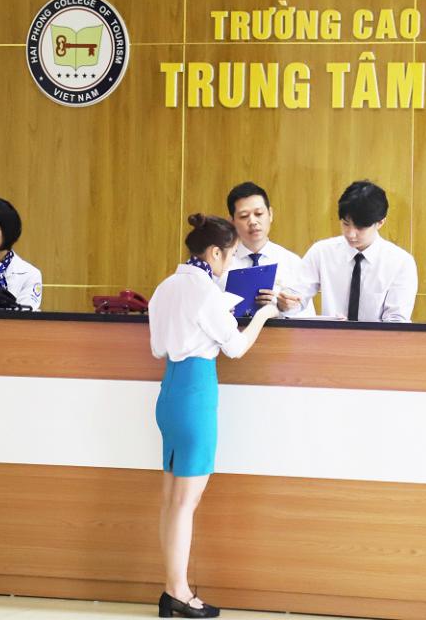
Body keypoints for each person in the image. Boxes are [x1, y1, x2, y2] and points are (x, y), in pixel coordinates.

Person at [148, 214, 280, 618]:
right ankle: (178, 592)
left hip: (169, 393)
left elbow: (157, 347)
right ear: (214, 253)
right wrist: (264, 314)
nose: (232, 262)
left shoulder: (166, 287)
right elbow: (235, 347)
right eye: (231, 254)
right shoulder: (205, 292)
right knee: (185, 502)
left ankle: (172, 589)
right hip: (196, 394)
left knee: (172, 500)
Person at [296, 180, 417, 322]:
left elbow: (397, 322)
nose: (351, 234)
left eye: (360, 227)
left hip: (377, 337)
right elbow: (296, 297)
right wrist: (288, 303)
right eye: (346, 224)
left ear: (380, 223)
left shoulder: (401, 263)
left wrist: (354, 332)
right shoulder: (321, 252)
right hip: (330, 335)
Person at [222, 181, 314, 317]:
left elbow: (308, 318)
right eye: (244, 216)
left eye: (259, 213)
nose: (253, 222)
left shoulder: (292, 262)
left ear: (270, 214)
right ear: (231, 222)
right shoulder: (220, 263)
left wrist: (282, 309)